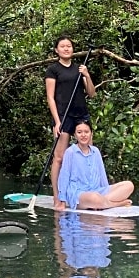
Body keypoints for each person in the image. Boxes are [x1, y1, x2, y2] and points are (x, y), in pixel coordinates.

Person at [45, 35, 96, 208]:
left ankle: (90, 192)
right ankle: (57, 196)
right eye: (63, 46)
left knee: (89, 154)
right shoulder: (53, 70)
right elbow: (50, 98)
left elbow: (92, 93)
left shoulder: (79, 69)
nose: (66, 49)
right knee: (59, 157)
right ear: (56, 50)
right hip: (62, 115)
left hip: (81, 115)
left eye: (69, 46)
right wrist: (57, 121)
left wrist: (87, 75)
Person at [56, 120, 134, 210]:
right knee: (94, 197)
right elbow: (64, 176)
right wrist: (62, 200)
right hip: (78, 194)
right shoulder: (70, 152)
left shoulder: (95, 151)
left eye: (86, 132)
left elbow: (102, 173)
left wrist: (107, 190)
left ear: (91, 133)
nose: (83, 135)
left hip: (97, 191)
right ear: (75, 135)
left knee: (129, 185)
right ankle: (116, 204)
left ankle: (101, 203)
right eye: (79, 132)